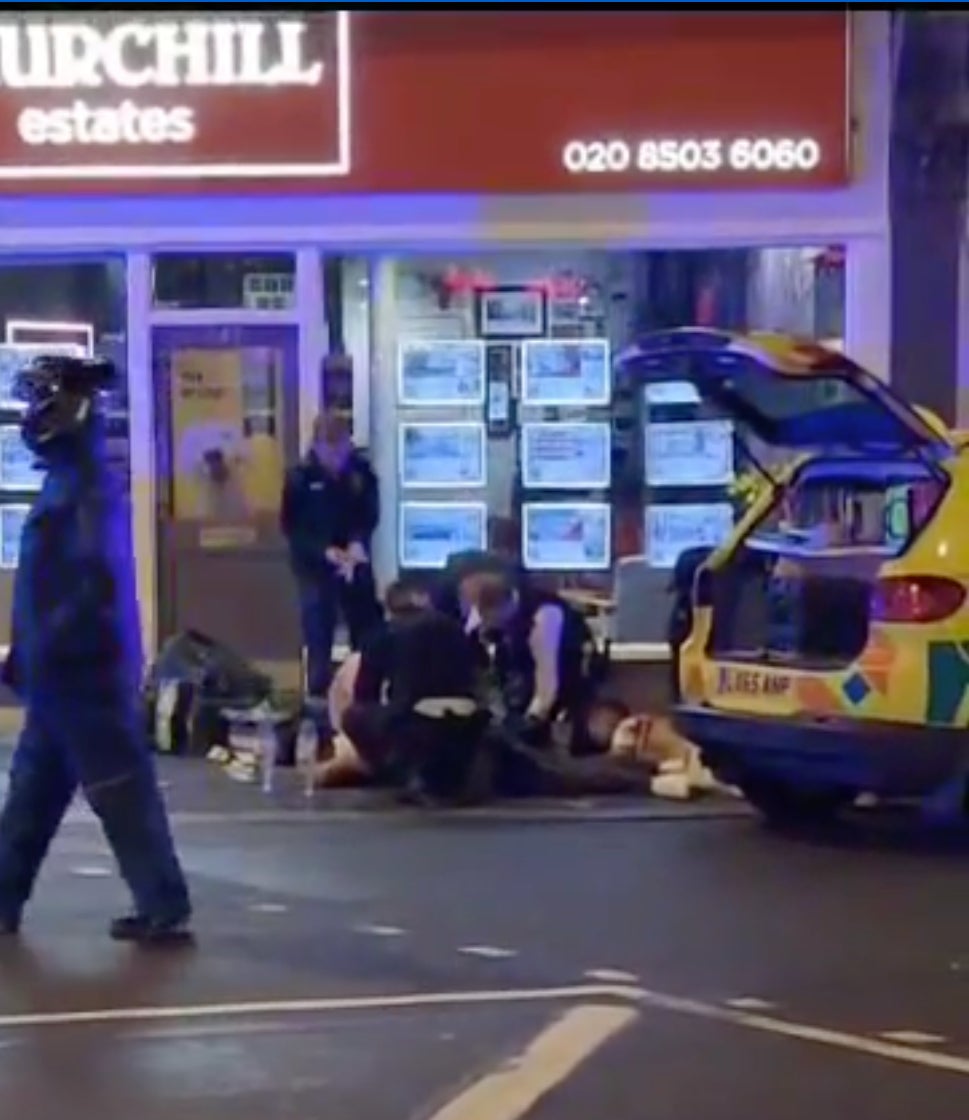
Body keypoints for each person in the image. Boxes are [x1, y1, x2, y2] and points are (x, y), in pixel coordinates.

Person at [0, 354, 192, 945]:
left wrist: (46, 645)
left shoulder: (83, 486)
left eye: (40, 401)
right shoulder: (70, 480)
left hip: (84, 674)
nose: (30, 415)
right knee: (33, 793)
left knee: (119, 791)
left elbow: (88, 584)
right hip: (62, 674)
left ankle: (163, 903)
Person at [340, 579, 490, 803]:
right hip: (469, 721)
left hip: (414, 722)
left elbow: (364, 693)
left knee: (354, 716)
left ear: (388, 608)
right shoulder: (457, 628)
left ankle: (396, 773)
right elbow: (482, 670)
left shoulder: (383, 635)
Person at [281, 408, 382, 699]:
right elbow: (292, 529)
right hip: (315, 566)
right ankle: (317, 697)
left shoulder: (361, 473)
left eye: (342, 449)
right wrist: (324, 552)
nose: (337, 459)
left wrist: (357, 543)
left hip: (355, 562)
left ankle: (365, 696)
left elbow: (370, 513)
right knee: (318, 634)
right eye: (331, 451)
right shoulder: (299, 479)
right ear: (317, 446)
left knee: (366, 635)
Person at [474, 577, 608, 756]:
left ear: (502, 608)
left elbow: (547, 686)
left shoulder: (545, 616)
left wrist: (526, 725)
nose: (485, 623)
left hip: (565, 704)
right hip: (524, 697)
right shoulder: (506, 615)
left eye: (488, 618)